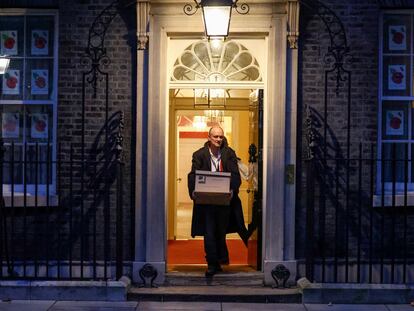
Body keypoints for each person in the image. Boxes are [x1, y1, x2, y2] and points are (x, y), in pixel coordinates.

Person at [187, 126, 249, 277]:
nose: (219, 140)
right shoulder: (199, 155)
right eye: (215, 137)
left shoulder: (229, 153)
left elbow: (235, 176)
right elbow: (193, 175)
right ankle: (211, 264)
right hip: (207, 202)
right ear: (209, 138)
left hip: (225, 202)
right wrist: (194, 192)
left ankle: (218, 261)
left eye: (221, 137)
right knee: (209, 232)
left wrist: (232, 190)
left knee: (220, 232)